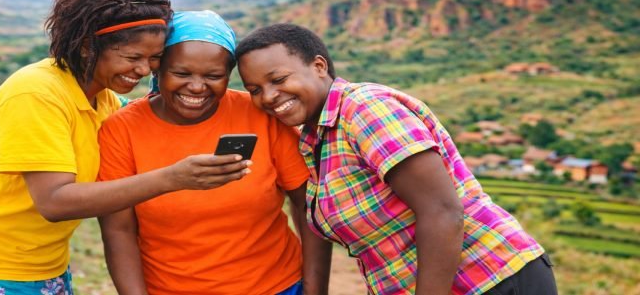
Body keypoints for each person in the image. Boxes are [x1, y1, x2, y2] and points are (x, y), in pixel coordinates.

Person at [0, 0, 250, 294]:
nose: (145, 70)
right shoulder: (37, 92)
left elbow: (155, 118)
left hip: (43, 269)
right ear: (87, 47)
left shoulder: (105, 100)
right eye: (133, 57)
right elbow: (55, 202)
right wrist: (173, 178)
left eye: (155, 58)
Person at [235, 23, 558, 295]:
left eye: (278, 80)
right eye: (255, 89)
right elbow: (315, 224)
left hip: (489, 279)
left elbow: (442, 211)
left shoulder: (365, 109)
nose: (268, 96)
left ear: (319, 67)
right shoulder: (316, 137)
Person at [97, 11, 332, 295]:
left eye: (214, 76)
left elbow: (306, 204)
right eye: (181, 73)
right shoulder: (122, 130)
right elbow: (118, 231)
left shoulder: (259, 114)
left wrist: (314, 290)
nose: (197, 87)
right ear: (157, 69)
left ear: (229, 75)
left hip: (279, 286)